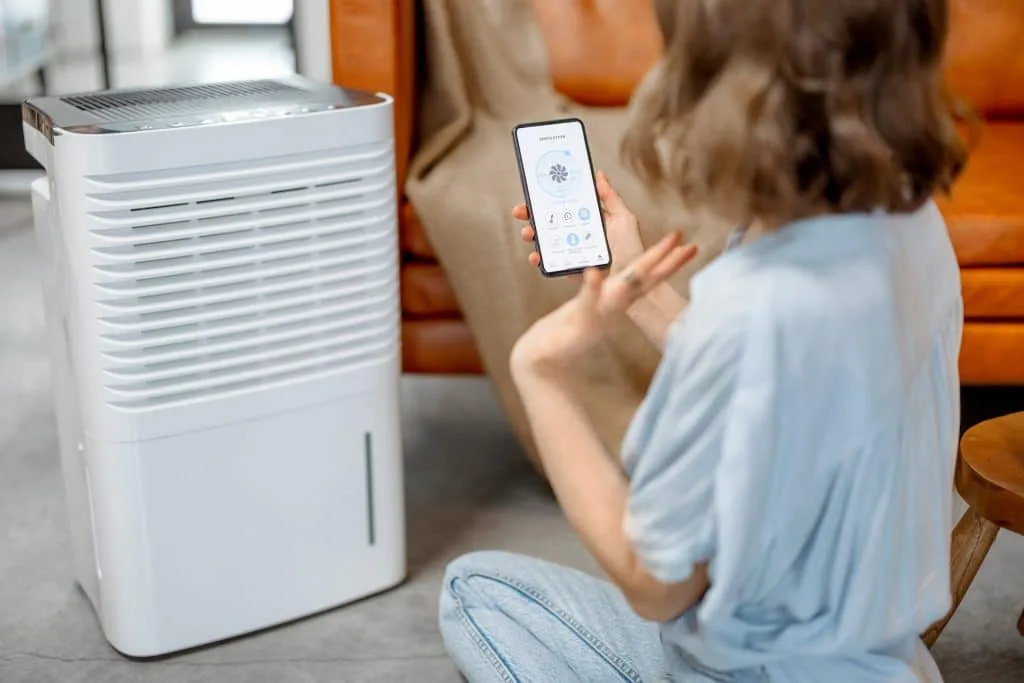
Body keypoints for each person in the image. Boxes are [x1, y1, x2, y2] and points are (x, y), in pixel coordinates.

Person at [438, 0, 969, 680]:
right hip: (884, 659)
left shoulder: (750, 310)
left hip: (751, 671)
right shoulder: (912, 224)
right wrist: (632, 276)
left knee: (474, 589)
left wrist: (539, 375)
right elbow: (769, 380)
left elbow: (656, 583)